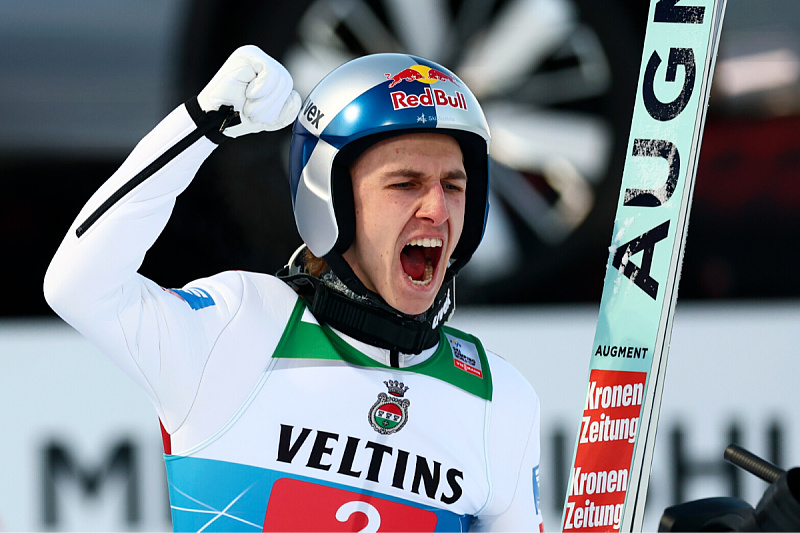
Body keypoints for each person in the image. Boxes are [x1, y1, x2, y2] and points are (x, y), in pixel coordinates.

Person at [44, 45, 543, 532]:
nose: (438, 209)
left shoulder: (500, 402)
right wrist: (200, 125)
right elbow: (78, 285)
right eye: (405, 183)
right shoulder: (236, 328)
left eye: (454, 186)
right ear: (330, 203)